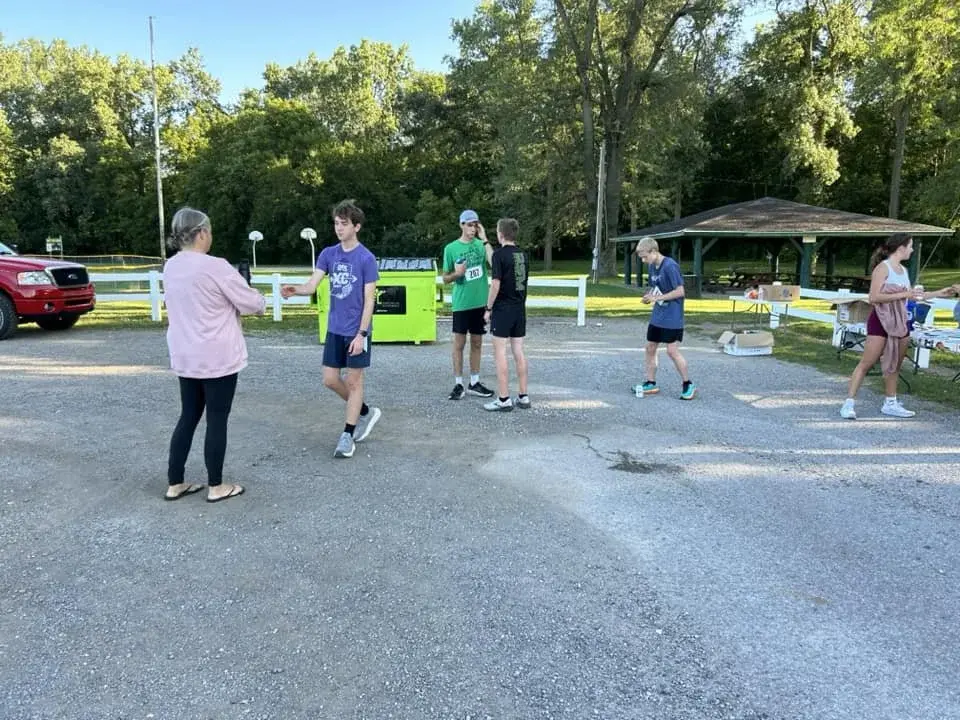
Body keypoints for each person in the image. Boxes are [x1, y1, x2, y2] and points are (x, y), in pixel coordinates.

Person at [162, 207, 266, 503]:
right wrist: (259, 298)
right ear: (202, 233)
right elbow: (251, 303)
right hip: (217, 356)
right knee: (217, 419)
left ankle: (175, 482)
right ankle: (216, 485)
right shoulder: (215, 266)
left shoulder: (171, 266)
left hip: (185, 354)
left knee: (188, 416)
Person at [281, 200, 381, 458]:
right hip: (335, 328)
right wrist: (295, 290)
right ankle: (365, 412)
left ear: (356, 227)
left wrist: (361, 334)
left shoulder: (366, 258)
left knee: (354, 381)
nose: (338, 228)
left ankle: (348, 435)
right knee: (330, 379)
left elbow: (369, 300)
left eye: (344, 224)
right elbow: (312, 285)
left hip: (357, 330)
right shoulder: (328, 254)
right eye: (336, 223)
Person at [840, 233, 956, 419]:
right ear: (901, 247)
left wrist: (941, 293)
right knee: (867, 363)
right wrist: (903, 294)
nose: (912, 250)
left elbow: (913, 296)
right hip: (881, 320)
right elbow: (874, 297)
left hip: (900, 322)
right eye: (910, 246)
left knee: (894, 364)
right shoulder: (883, 268)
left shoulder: (903, 270)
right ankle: (849, 403)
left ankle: (890, 403)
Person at [441, 209, 495, 400]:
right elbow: (445, 278)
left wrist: (485, 239)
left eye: (475, 225)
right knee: (459, 343)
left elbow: (493, 262)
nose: (473, 229)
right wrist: (457, 274)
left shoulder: (481, 245)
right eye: (470, 225)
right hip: (462, 303)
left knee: (477, 342)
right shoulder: (451, 248)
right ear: (462, 225)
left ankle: (474, 382)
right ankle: (458, 384)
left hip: (480, 302)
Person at [634, 237, 696, 400]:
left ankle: (688, 383)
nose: (643, 260)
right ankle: (651, 382)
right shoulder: (652, 266)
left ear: (654, 251)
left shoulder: (670, 266)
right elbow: (656, 288)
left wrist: (657, 298)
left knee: (671, 351)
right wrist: (649, 296)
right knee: (650, 347)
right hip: (658, 315)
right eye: (641, 258)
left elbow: (680, 292)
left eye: (645, 257)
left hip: (672, 316)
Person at [483, 218, 530, 411]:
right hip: (519, 309)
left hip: (503, 309)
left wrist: (488, 309)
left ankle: (503, 398)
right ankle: (523, 396)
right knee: (518, 351)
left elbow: (495, 284)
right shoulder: (523, 255)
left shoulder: (499, 255)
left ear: (500, 234)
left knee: (500, 353)